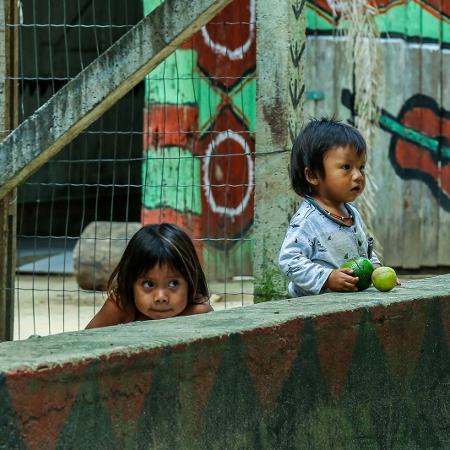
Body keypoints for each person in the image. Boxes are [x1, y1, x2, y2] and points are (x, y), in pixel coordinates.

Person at [279, 117, 383, 297]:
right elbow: (289, 260)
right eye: (346, 167)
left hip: (345, 304)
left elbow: (363, 253)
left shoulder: (351, 213)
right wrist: (327, 278)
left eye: (361, 167)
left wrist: (377, 270)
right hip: (311, 307)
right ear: (312, 175)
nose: (358, 176)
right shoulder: (307, 220)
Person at [86, 223, 212, 328]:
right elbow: (86, 341)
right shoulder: (121, 306)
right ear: (131, 283)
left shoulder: (198, 313)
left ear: (190, 282)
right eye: (149, 284)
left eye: (173, 283)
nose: (161, 297)